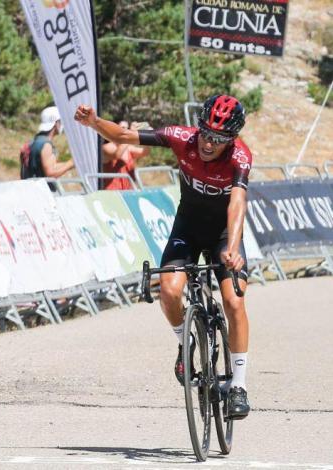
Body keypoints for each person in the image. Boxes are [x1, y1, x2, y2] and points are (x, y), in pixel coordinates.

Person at [75, 95, 252, 419]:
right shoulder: (181, 137)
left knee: (234, 300)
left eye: (219, 139)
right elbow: (124, 138)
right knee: (169, 291)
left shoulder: (240, 157)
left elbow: (237, 202)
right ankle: (185, 343)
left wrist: (233, 248)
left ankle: (238, 385)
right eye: (206, 134)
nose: (209, 144)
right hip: (188, 227)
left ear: (232, 140)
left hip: (225, 233)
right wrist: (95, 123)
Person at [21, 106, 74, 179]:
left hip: (31, 187)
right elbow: (50, 174)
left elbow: (50, 166)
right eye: (60, 121)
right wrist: (70, 164)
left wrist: (70, 163)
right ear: (56, 123)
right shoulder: (46, 145)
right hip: (42, 189)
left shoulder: (34, 142)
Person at [102, 120, 151, 190]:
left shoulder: (128, 148)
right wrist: (130, 134)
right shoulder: (106, 147)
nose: (126, 131)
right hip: (112, 192)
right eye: (123, 128)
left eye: (127, 128)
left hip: (128, 191)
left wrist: (147, 136)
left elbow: (145, 152)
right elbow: (117, 155)